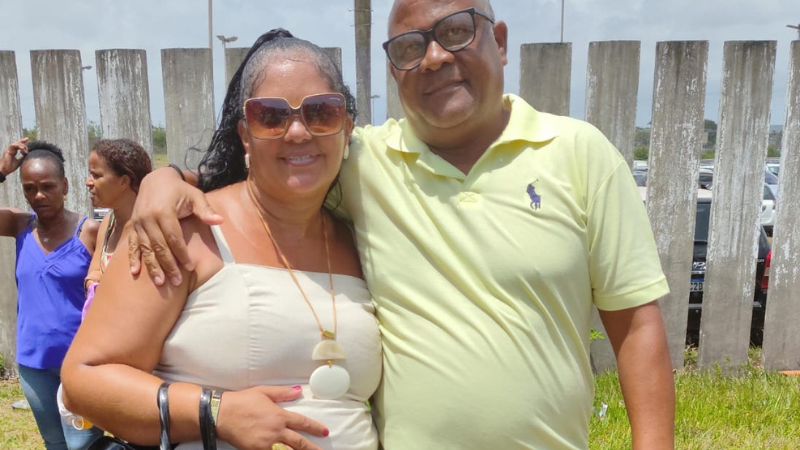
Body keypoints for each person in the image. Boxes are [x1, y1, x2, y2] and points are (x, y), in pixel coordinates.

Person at [125, 1, 676, 448]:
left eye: (457, 31)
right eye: (410, 47)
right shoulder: (362, 161)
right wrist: (165, 180)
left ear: (500, 40)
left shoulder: (579, 154)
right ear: (394, 71)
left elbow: (636, 326)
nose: (434, 58)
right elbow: (277, 164)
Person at [61, 30, 381, 450]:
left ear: (347, 128)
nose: (298, 132)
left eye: (321, 112)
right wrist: (215, 411)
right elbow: (84, 378)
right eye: (271, 116)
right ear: (245, 134)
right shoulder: (183, 232)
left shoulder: (362, 238)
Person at [0, 138, 104, 450]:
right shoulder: (19, 225)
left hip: (81, 365)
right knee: (54, 444)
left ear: (65, 185)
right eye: (29, 188)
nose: (39, 196)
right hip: (34, 365)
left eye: (47, 186)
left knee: (84, 444)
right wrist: (1, 171)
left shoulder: (90, 232)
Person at [83, 138, 153, 312]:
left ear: (124, 182)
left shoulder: (150, 227)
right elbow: (93, 273)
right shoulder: (108, 223)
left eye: (96, 175)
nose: (88, 182)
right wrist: (92, 282)